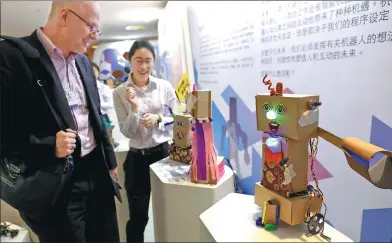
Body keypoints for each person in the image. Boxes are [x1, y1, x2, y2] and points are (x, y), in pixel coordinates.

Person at [0, 1, 121, 242]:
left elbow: (94, 114)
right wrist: (48, 146)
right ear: (65, 15)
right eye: (91, 27)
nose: (94, 37)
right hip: (55, 186)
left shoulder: (84, 62)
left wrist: (109, 161)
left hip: (96, 175)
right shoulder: (11, 57)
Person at [113, 40, 178, 242]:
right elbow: (127, 132)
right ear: (130, 61)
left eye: (148, 61)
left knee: (169, 211)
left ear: (153, 62)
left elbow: (179, 117)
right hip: (137, 159)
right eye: (138, 60)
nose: (143, 66)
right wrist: (134, 109)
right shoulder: (119, 92)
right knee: (138, 216)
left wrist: (159, 119)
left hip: (163, 155)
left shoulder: (164, 86)